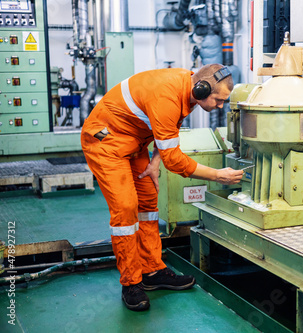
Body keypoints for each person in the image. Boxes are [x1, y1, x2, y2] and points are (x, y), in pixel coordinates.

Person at [81, 64, 243, 311]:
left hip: (135, 143)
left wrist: (155, 162)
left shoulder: (186, 89)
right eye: (218, 100)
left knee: (148, 202)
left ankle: (152, 271)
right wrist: (217, 175)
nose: (221, 106)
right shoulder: (167, 95)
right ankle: (131, 283)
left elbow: (166, 131)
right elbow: (176, 161)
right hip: (106, 141)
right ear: (201, 90)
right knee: (126, 208)